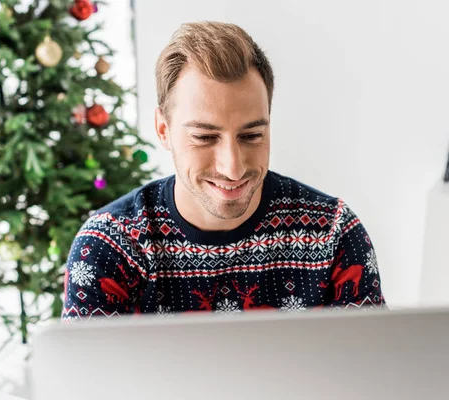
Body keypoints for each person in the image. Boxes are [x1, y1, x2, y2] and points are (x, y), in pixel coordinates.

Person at [62, 21, 385, 319]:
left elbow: (373, 369)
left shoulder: (334, 234)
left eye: (252, 135)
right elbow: (86, 380)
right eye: (204, 137)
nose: (233, 168)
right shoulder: (111, 246)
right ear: (163, 130)